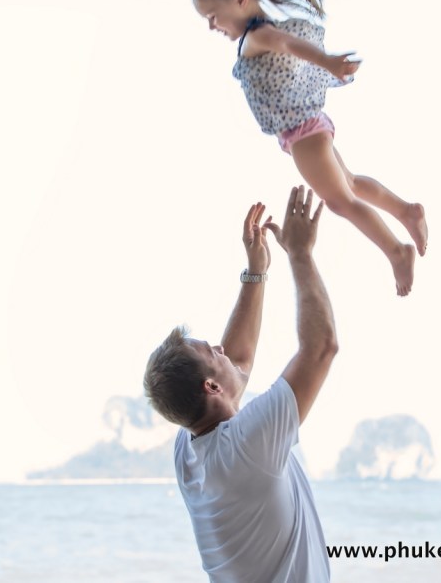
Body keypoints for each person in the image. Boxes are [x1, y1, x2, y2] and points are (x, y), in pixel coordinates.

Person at [189, 0, 429, 296]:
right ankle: (406, 211)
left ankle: (396, 251)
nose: (212, 27)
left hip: (302, 132)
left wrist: (327, 61)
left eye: (212, 17)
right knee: (351, 185)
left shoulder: (259, 36)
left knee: (340, 201)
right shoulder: (257, 36)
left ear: (240, 0)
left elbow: (289, 45)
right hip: (310, 127)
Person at [144, 186, 337, 582]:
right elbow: (321, 348)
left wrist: (256, 270)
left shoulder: (189, 448)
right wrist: (300, 253)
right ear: (211, 389)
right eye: (212, 351)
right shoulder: (248, 445)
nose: (221, 348)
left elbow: (237, 362)